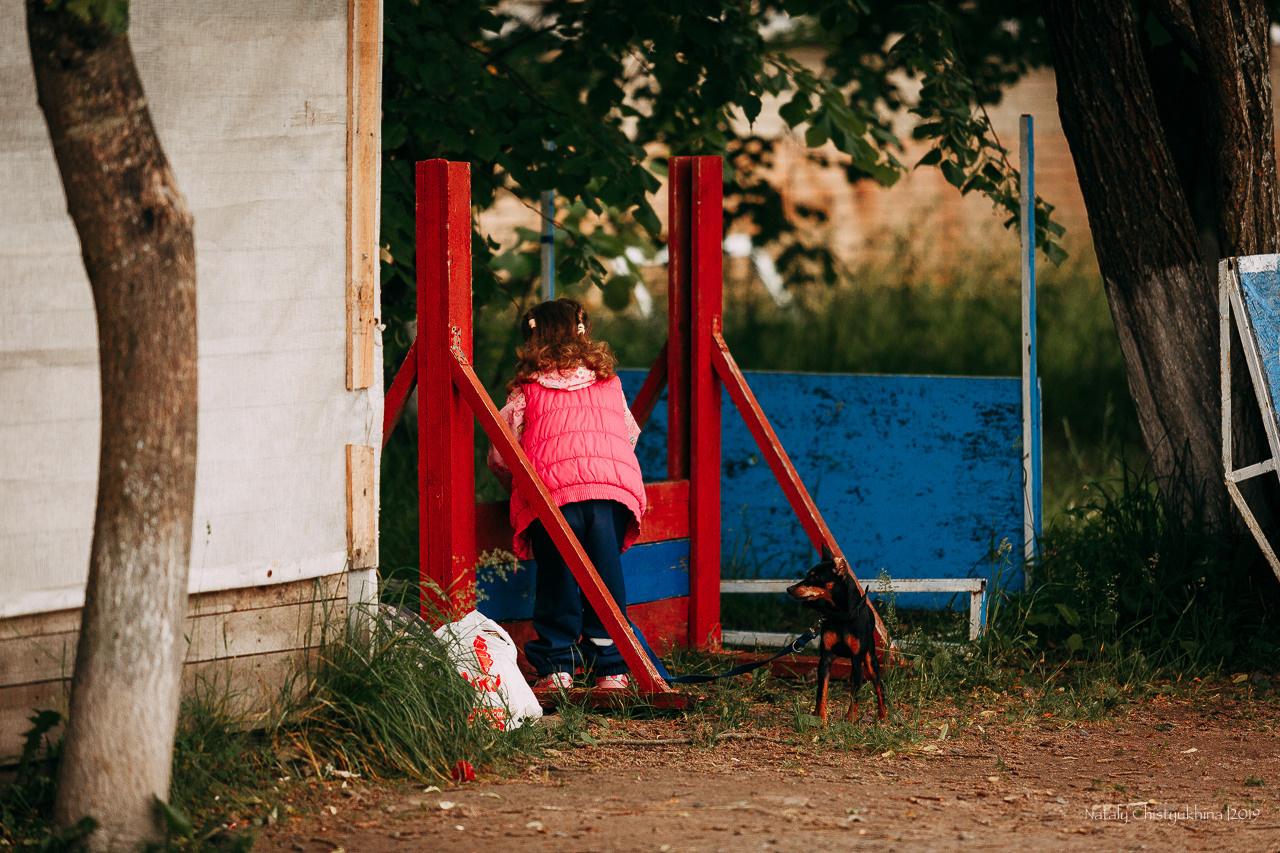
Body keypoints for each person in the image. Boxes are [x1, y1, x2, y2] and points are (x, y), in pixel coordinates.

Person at [487, 297, 647, 690]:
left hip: (552, 495)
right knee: (605, 578)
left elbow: (501, 452)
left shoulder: (527, 391)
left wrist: (517, 490)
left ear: (533, 338)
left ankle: (557, 667)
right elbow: (629, 434)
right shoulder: (609, 382)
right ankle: (611, 668)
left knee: (557, 578)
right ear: (583, 332)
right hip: (610, 492)